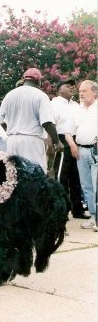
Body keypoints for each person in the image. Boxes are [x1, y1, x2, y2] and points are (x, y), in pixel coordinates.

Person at [0, 68, 63, 173]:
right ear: (38, 81)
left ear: (24, 80)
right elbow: (47, 123)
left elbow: (1, 122)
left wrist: (13, 131)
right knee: (35, 177)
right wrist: (57, 141)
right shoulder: (40, 95)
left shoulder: (9, 95)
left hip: (12, 141)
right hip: (31, 141)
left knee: (14, 177)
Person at [51, 78, 89, 219]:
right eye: (68, 86)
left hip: (76, 140)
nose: (72, 88)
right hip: (61, 141)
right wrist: (53, 144)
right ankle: (62, 210)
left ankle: (77, 210)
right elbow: (50, 125)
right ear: (60, 89)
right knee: (61, 177)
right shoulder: (54, 103)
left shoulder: (75, 105)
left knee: (76, 177)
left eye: (73, 86)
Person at [72, 80, 98, 231]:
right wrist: (72, 144)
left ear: (94, 92)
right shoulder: (77, 109)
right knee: (86, 186)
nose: (81, 93)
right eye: (80, 90)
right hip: (81, 151)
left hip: (96, 151)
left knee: (96, 185)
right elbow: (69, 130)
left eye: (84, 91)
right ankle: (93, 217)